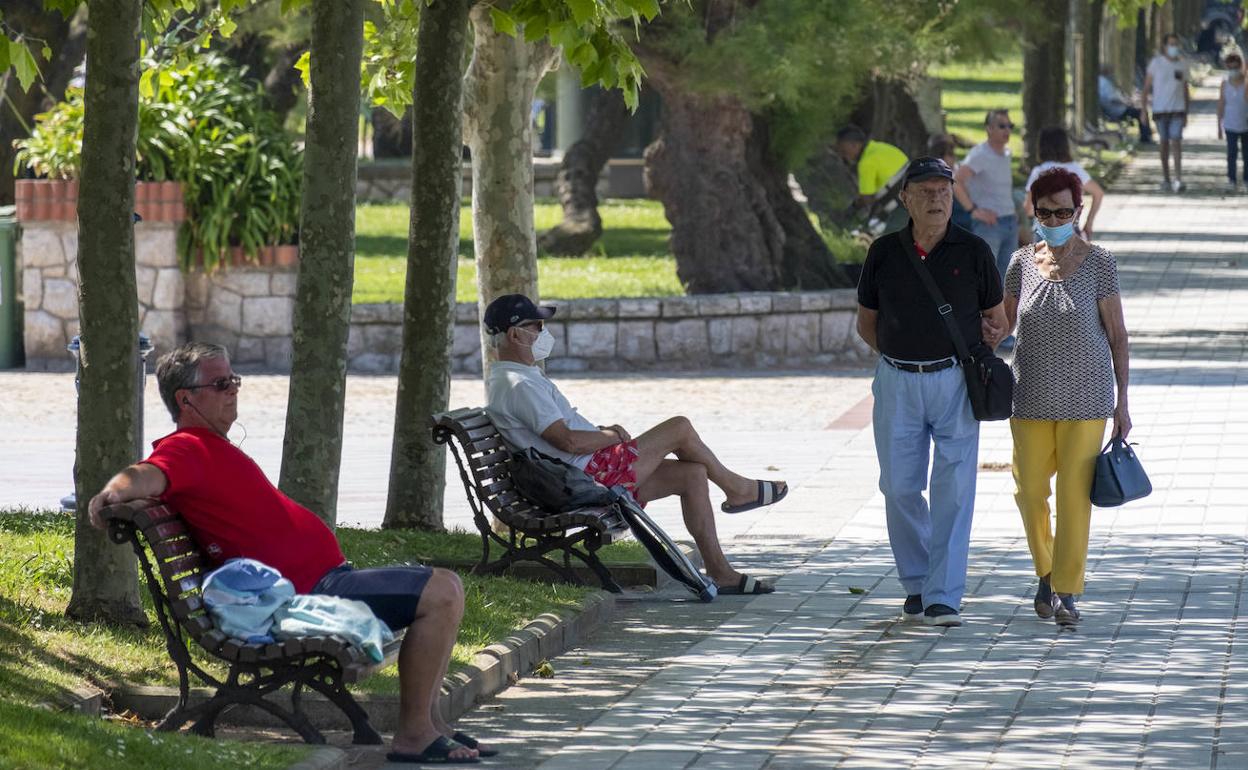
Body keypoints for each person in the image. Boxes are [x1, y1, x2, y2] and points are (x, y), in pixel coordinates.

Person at [87, 343, 486, 765]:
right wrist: (111, 494)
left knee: (447, 585)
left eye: (234, 379)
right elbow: (148, 474)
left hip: (323, 581)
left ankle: (433, 724)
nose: (233, 389)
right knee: (441, 591)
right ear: (186, 399)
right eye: (221, 383)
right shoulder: (187, 448)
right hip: (310, 594)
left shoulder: (211, 446)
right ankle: (414, 735)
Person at [482, 294, 786, 596]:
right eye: (536, 326)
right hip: (587, 479)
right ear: (514, 334)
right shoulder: (518, 384)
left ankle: (722, 573)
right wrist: (612, 436)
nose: (542, 332)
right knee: (679, 427)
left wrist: (603, 434)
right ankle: (738, 490)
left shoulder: (519, 377)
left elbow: (562, 435)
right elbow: (568, 441)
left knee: (692, 474)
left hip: (588, 469)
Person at [855, 157, 1008, 628]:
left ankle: (944, 594)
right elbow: (867, 324)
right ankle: (918, 582)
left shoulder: (974, 251)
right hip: (897, 381)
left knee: (955, 489)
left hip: (954, 381)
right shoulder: (884, 252)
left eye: (943, 190)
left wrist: (980, 342)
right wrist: (904, 358)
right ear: (905, 199)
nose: (936, 199)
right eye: (924, 191)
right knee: (898, 486)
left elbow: (998, 319)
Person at [1001, 168, 1131, 627]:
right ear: (1033, 212)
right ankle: (1046, 571)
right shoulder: (1019, 263)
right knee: (1030, 492)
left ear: (1078, 211)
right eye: (1044, 211)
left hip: (1088, 399)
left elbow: (1117, 335)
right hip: (1031, 398)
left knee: (1074, 498)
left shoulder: (1100, 262)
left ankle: (1067, 591)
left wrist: (1123, 405)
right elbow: (1002, 324)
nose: (1053, 218)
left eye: (1062, 211)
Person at [953, 110, 1018, 286]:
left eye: (1010, 126)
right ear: (988, 129)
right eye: (1001, 126)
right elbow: (956, 181)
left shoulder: (1006, 153)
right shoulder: (980, 154)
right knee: (985, 276)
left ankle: (1002, 314)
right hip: (989, 225)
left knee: (1006, 280)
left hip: (1009, 222)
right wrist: (973, 211)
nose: (1007, 130)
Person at [1023, 127, 1106, 241]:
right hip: (1070, 230)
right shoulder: (1075, 169)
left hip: (1044, 234)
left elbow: (1029, 209)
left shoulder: (1038, 172)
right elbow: (1098, 193)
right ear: (1065, 146)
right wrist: (1089, 222)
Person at [1143, 33, 1192, 192]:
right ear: (1164, 47)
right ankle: (1166, 178)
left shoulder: (1183, 65)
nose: (1174, 47)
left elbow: (1185, 89)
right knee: (1164, 143)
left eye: (1176, 44)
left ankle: (1178, 178)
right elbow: (1146, 88)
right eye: (1171, 44)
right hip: (1160, 110)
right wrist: (1144, 110)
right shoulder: (1156, 63)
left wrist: (1186, 112)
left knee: (1176, 142)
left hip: (1177, 110)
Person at [835, 125, 910, 209]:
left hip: (904, 205)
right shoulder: (881, 147)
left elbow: (867, 198)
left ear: (854, 145)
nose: (843, 156)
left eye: (844, 151)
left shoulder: (865, 163)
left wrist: (854, 206)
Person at [1216, 51, 1248, 192]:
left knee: (1247, 153)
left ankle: (1247, 179)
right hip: (1230, 123)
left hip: (1246, 122)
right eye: (1231, 68)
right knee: (1231, 153)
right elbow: (1221, 103)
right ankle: (1232, 179)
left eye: (1236, 67)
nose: (1233, 71)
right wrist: (1219, 124)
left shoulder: (1246, 84)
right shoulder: (1225, 84)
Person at [1098, 65, 1153, 144]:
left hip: (1115, 108)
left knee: (1139, 110)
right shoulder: (1104, 83)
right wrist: (1125, 103)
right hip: (1117, 110)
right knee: (1141, 112)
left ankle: (1146, 135)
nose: (1112, 73)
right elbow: (1112, 99)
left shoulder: (1101, 81)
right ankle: (1145, 137)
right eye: (1110, 71)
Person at [928, 135, 973, 231]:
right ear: (942, 157)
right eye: (951, 154)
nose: (954, 157)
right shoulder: (945, 176)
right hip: (960, 221)